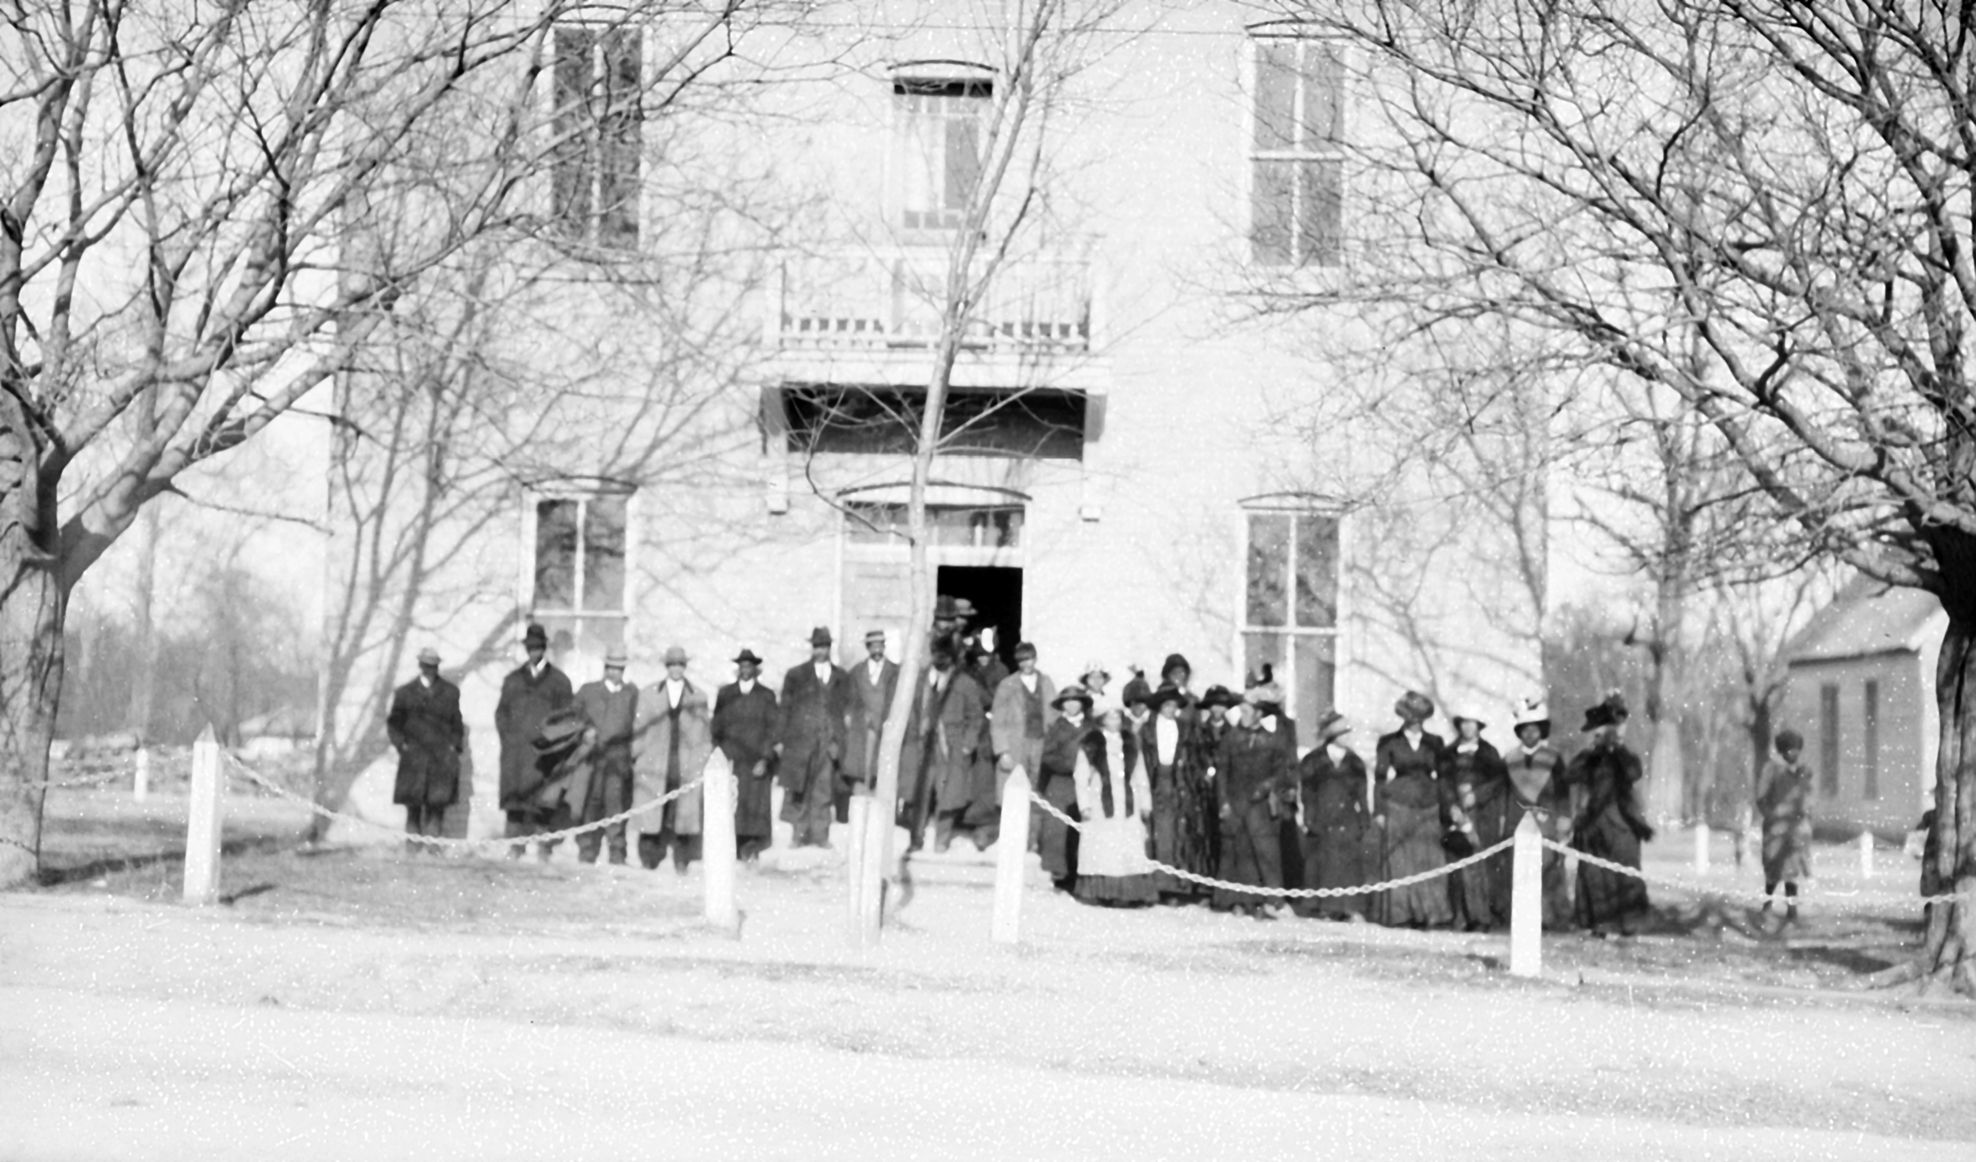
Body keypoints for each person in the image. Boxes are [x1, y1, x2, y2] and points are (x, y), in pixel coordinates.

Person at [1566, 691, 1654, 937]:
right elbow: (1571, 774)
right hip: (1592, 825)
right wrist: (1595, 750)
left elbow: (1634, 772)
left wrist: (1617, 749)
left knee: (1626, 873)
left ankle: (1629, 925)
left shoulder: (1624, 757)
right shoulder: (1589, 757)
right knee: (1594, 876)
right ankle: (1599, 924)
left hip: (1622, 824)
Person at [1371, 693, 1455, 928]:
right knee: (1400, 861)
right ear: (1404, 717)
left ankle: (1431, 913)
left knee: (1429, 859)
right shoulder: (1389, 741)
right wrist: (1379, 811)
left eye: (1420, 717)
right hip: (1398, 805)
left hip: (1429, 806)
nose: (1415, 722)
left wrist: (1447, 808)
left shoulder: (1435, 742)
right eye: (1411, 717)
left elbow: (1444, 777)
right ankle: (1400, 914)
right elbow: (1379, 779)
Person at [1212, 689, 1294, 917]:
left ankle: (1269, 901)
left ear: (1259, 713)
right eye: (1242, 711)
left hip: (1261, 806)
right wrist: (1223, 802)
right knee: (1237, 853)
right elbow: (1222, 773)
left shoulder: (1273, 740)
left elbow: (1281, 772)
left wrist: (1266, 787)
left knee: (1265, 853)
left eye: (1248, 711)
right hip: (1236, 804)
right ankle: (1237, 901)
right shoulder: (1230, 738)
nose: (1243, 715)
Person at [495, 623, 573, 858]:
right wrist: (510, 739)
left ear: (544, 649)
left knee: (544, 802)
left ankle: (543, 850)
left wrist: (552, 743)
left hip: (545, 754)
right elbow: (501, 713)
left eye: (538, 647)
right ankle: (515, 847)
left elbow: (567, 719)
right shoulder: (513, 680)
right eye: (530, 648)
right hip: (517, 753)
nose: (534, 652)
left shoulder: (559, 681)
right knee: (515, 803)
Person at [903, 643, 991, 852]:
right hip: (924, 747)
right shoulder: (920, 680)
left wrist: (967, 745)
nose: (941, 659)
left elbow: (976, 716)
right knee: (919, 792)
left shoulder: (964, 683)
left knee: (948, 795)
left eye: (945, 655)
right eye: (937, 654)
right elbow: (911, 712)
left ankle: (942, 839)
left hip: (951, 747)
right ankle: (916, 839)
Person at [632, 646, 712, 872]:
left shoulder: (698, 696)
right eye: (672, 664)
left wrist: (701, 761)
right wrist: (636, 756)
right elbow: (639, 729)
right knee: (652, 811)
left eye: (680, 664)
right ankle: (649, 858)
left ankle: (681, 860)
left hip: (685, 763)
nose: (676, 669)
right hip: (654, 763)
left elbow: (704, 734)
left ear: (685, 667)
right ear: (666, 667)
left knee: (683, 813)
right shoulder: (649, 694)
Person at [1071, 705, 1158, 906]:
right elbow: (1081, 776)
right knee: (1102, 847)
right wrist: (1084, 805)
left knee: (1127, 846)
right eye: (1110, 717)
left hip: (1127, 801)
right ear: (1102, 719)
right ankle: (1100, 891)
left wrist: (1145, 802)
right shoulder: (1091, 743)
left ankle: (1126, 894)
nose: (1115, 721)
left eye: (1117, 717)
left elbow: (1140, 774)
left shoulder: (1130, 742)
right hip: (1100, 801)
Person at [1497, 697, 1571, 929]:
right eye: (1525, 729)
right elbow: (1503, 793)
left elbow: (1563, 791)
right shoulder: (1509, 758)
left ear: (1542, 731)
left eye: (1535, 729)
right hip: (1517, 819)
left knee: (1548, 868)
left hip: (1546, 820)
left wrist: (1564, 818)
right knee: (1518, 870)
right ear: (1519, 732)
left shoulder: (1553, 758)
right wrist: (1502, 821)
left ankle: (1551, 918)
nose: (1530, 734)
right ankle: (1520, 917)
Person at [776, 627, 852, 848]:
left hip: (828, 742)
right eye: (817, 646)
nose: (821, 651)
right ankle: (799, 834)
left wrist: (839, 740)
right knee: (799, 789)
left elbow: (846, 710)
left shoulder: (841, 677)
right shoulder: (796, 675)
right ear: (812, 647)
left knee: (823, 789)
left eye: (824, 646)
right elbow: (785, 709)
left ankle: (821, 835)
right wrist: (779, 739)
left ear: (830, 648)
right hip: (801, 742)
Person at [1292, 711, 1371, 920]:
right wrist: (1309, 817)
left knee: (1347, 865)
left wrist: (1364, 818)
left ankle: (1345, 907)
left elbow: (1361, 794)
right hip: (1322, 817)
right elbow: (1307, 792)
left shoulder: (1355, 762)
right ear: (1333, 735)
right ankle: (1321, 906)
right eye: (1344, 733)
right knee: (1322, 862)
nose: (1349, 737)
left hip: (1347, 818)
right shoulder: (1313, 760)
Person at [384, 646, 465, 851]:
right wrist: (402, 745)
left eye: (433, 666)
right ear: (420, 666)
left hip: (440, 760)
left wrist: (453, 747)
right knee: (413, 807)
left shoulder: (450, 693)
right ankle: (412, 849)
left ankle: (433, 849)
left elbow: (457, 724)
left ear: (438, 667)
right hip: (414, 759)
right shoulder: (405, 693)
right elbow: (394, 724)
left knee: (436, 807)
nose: (430, 670)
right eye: (426, 666)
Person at [1139, 684, 1213, 901]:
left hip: (1180, 782)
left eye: (1173, 705)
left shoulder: (1185, 729)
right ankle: (1159, 885)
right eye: (1166, 705)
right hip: (1156, 781)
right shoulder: (1147, 729)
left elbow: (1197, 756)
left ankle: (1179, 886)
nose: (1170, 709)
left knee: (1180, 834)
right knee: (1160, 833)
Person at [572, 648, 640, 866]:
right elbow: (572, 717)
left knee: (615, 805)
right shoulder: (589, 691)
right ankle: (587, 852)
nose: (615, 672)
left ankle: (617, 854)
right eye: (611, 668)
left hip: (618, 760)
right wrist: (584, 732)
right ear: (605, 668)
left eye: (619, 668)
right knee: (590, 804)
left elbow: (637, 726)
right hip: (592, 759)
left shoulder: (631, 694)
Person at [712, 649, 778, 860]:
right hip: (733, 761)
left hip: (756, 761)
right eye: (742, 666)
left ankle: (752, 850)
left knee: (756, 809)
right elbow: (717, 728)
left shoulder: (766, 695)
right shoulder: (726, 694)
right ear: (738, 669)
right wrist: (722, 757)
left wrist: (765, 759)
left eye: (749, 666)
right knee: (733, 806)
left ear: (755, 669)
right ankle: (733, 850)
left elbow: (773, 729)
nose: (746, 670)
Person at [1444, 713, 1509, 930]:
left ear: (1479, 726)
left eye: (1472, 723)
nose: (1468, 727)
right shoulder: (1449, 752)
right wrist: (1452, 806)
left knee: (1482, 863)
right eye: (1464, 723)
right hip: (1457, 813)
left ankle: (1483, 917)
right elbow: (1444, 782)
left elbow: (1499, 781)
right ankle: (1461, 916)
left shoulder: (1489, 752)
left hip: (1483, 814)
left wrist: (1477, 796)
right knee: (1459, 864)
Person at [1754, 728, 1814, 923]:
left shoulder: (1803, 772)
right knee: (1773, 870)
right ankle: (1766, 905)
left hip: (1795, 829)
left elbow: (1807, 796)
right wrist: (1772, 816)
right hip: (1776, 828)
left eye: (1797, 750)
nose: (1793, 754)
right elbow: (1761, 798)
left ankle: (1792, 910)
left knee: (1792, 869)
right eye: (1789, 750)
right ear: (1782, 751)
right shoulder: (1772, 769)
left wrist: (1806, 815)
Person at [1036, 685, 1091, 889]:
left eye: (1076, 701)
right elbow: (1047, 756)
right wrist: (1069, 765)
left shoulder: (1091, 727)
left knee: (1083, 827)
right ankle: (1059, 873)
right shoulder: (1056, 727)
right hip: (1061, 781)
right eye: (1068, 701)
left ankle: (1081, 872)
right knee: (1057, 827)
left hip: (1086, 783)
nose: (1072, 705)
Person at [847, 629, 901, 805]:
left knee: (882, 773)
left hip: (886, 730)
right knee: (861, 775)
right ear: (867, 647)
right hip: (862, 732)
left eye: (880, 645)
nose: (877, 650)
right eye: (873, 646)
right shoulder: (856, 672)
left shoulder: (895, 672)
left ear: (884, 647)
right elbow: (851, 701)